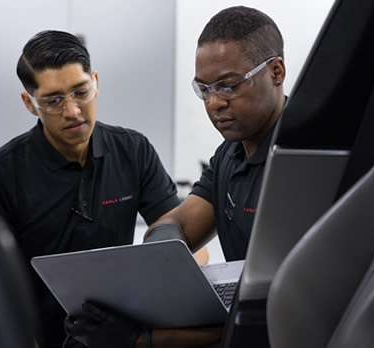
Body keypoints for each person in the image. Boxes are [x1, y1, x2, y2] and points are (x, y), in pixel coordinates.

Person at [64, 5, 286, 347]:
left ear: (276, 71)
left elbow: (279, 312)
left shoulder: (303, 162)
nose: (214, 103)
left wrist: (145, 341)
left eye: (228, 86)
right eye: (204, 89)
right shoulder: (230, 154)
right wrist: (155, 264)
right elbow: (178, 224)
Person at [0, 30, 207, 348]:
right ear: (29, 104)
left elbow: (189, 246)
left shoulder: (133, 150)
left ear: (95, 81)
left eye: (81, 92)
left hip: (121, 335)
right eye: (53, 101)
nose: (72, 111)